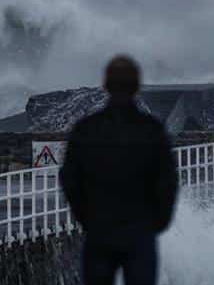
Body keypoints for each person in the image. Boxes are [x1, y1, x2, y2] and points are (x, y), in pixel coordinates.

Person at [60, 55, 179, 285]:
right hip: (141, 233)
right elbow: (168, 181)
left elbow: (69, 178)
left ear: (106, 84)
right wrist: (158, 222)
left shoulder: (87, 129)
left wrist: (85, 217)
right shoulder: (152, 130)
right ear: (136, 86)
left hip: (99, 231)